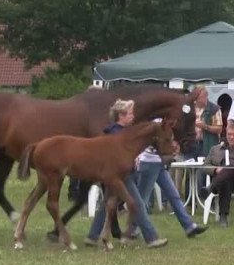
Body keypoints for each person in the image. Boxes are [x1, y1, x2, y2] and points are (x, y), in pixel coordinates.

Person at [85, 99, 168, 248]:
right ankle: (151, 238)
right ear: (121, 115)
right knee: (137, 204)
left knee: (107, 204)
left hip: (119, 174)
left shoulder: (119, 131)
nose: (133, 116)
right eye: (130, 113)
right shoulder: (116, 133)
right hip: (122, 175)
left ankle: (92, 236)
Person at [136, 138, 208, 238]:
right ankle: (132, 229)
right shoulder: (147, 123)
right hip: (148, 162)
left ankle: (189, 226)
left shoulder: (163, 123)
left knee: (174, 195)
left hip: (160, 163)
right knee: (142, 200)